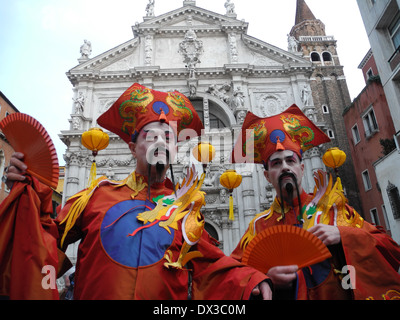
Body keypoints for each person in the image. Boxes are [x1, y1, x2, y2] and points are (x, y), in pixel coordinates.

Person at [2, 83, 271, 300]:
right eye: (149, 135)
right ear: (133, 148)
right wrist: (30, 193)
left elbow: (211, 266)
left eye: (168, 137)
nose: (159, 142)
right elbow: (45, 237)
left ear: (175, 151)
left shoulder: (185, 212)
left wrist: (251, 281)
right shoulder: (96, 195)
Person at [230, 104, 400, 300]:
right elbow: (235, 274)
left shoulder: (334, 211)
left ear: (302, 168)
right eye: (276, 163)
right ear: (267, 176)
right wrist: (263, 278)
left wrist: (342, 235)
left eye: (290, 161)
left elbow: (390, 248)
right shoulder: (258, 227)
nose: (285, 167)